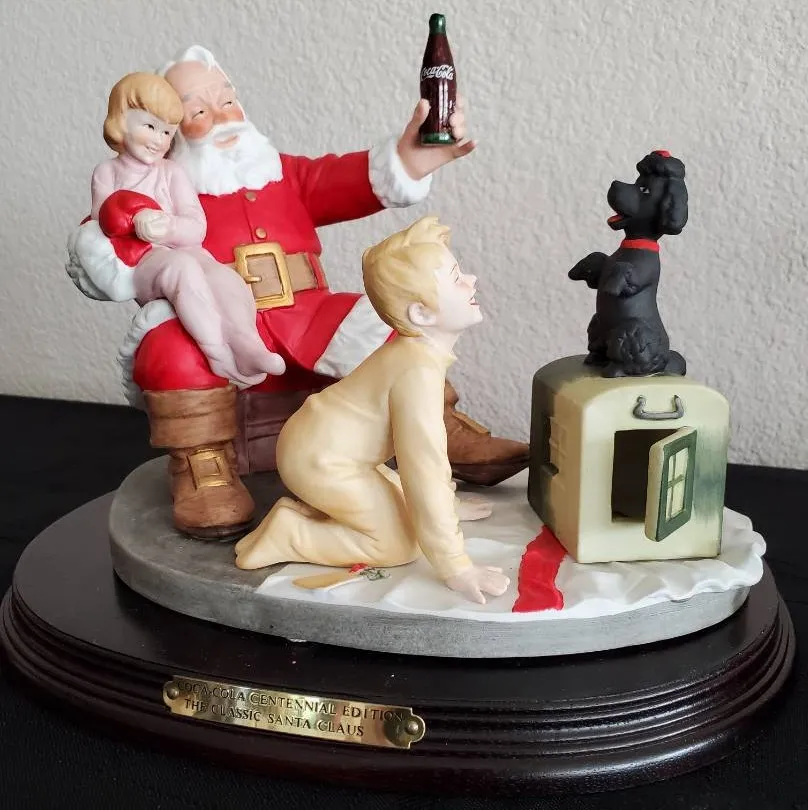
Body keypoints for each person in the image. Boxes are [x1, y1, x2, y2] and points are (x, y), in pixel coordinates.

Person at [67, 45, 528, 541]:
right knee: (170, 348)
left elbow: (350, 178)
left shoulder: (281, 174)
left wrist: (415, 156)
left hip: (308, 312)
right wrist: (115, 235)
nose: (221, 118)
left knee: (389, 325)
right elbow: (112, 236)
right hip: (217, 316)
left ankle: (439, 425)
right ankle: (202, 467)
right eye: (198, 112)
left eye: (227, 101)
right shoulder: (162, 189)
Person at [235, 217, 510, 606]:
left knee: (407, 513)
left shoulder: (416, 355)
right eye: (456, 278)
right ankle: (290, 534)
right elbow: (423, 468)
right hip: (320, 460)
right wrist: (456, 565)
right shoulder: (417, 370)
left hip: (327, 446)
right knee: (397, 546)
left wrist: (449, 507)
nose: (472, 280)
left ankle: (311, 515)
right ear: (421, 313)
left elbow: (422, 469)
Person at [92, 72, 284, 387]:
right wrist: (134, 223)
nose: (158, 139)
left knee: (223, 277)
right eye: (149, 127)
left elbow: (196, 226)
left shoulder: (172, 172)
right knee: (181, 268)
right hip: (142, 261)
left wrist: (167, 227)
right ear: (121, 120)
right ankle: (218, 353)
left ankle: (247, 344)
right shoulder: (107, 173)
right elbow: (103, 223)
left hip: (186, 250)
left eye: (167, 132)